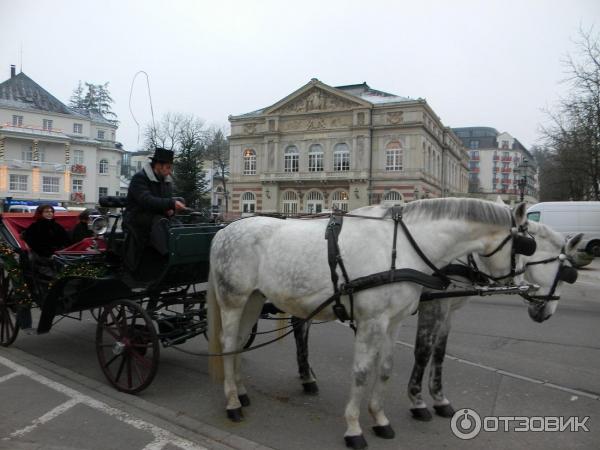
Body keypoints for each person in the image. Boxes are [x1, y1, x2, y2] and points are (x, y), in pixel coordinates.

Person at [122, 147, 186, 272]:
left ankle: (183, 252)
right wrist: (171, 203)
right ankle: (167, 256)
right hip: (136, 217)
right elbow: (147, 201)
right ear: (158, 165)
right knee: (160, 221)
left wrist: (174, 206)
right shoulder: (139, 179)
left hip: (156, 216)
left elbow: (164, 201)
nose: (170, 171)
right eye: (168, 167)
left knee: (177, 224)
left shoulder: (166, 181)